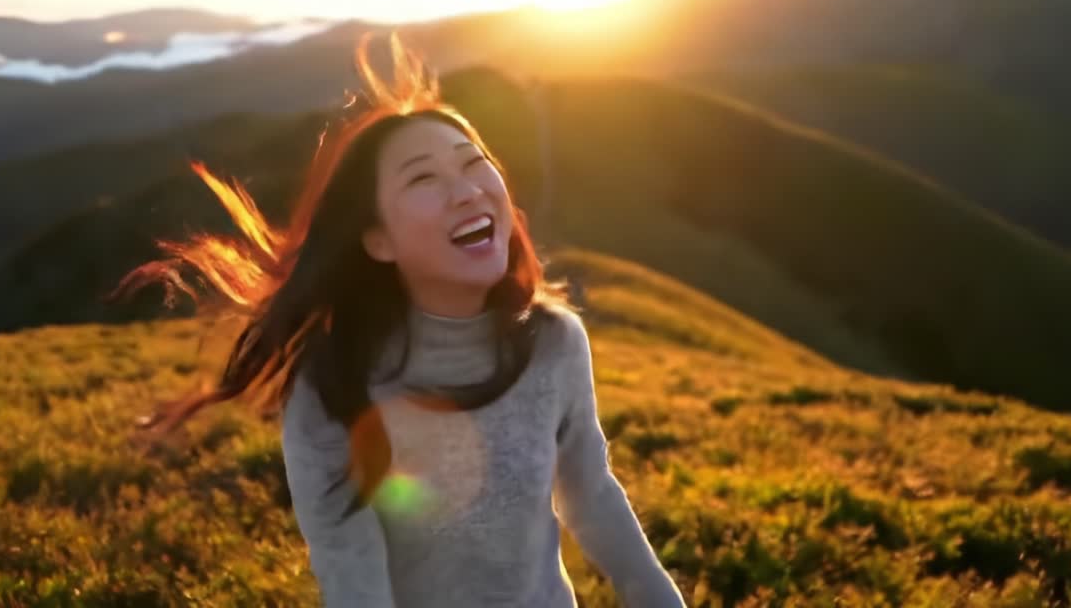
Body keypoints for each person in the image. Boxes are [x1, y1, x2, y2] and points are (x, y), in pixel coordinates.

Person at [111, 32, 686, 607]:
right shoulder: (333, 385)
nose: (465, 191)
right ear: (378, 240)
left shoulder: (554, 340)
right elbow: (352, 576)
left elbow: (590, 493)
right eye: (422, 179)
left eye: (474, 164)